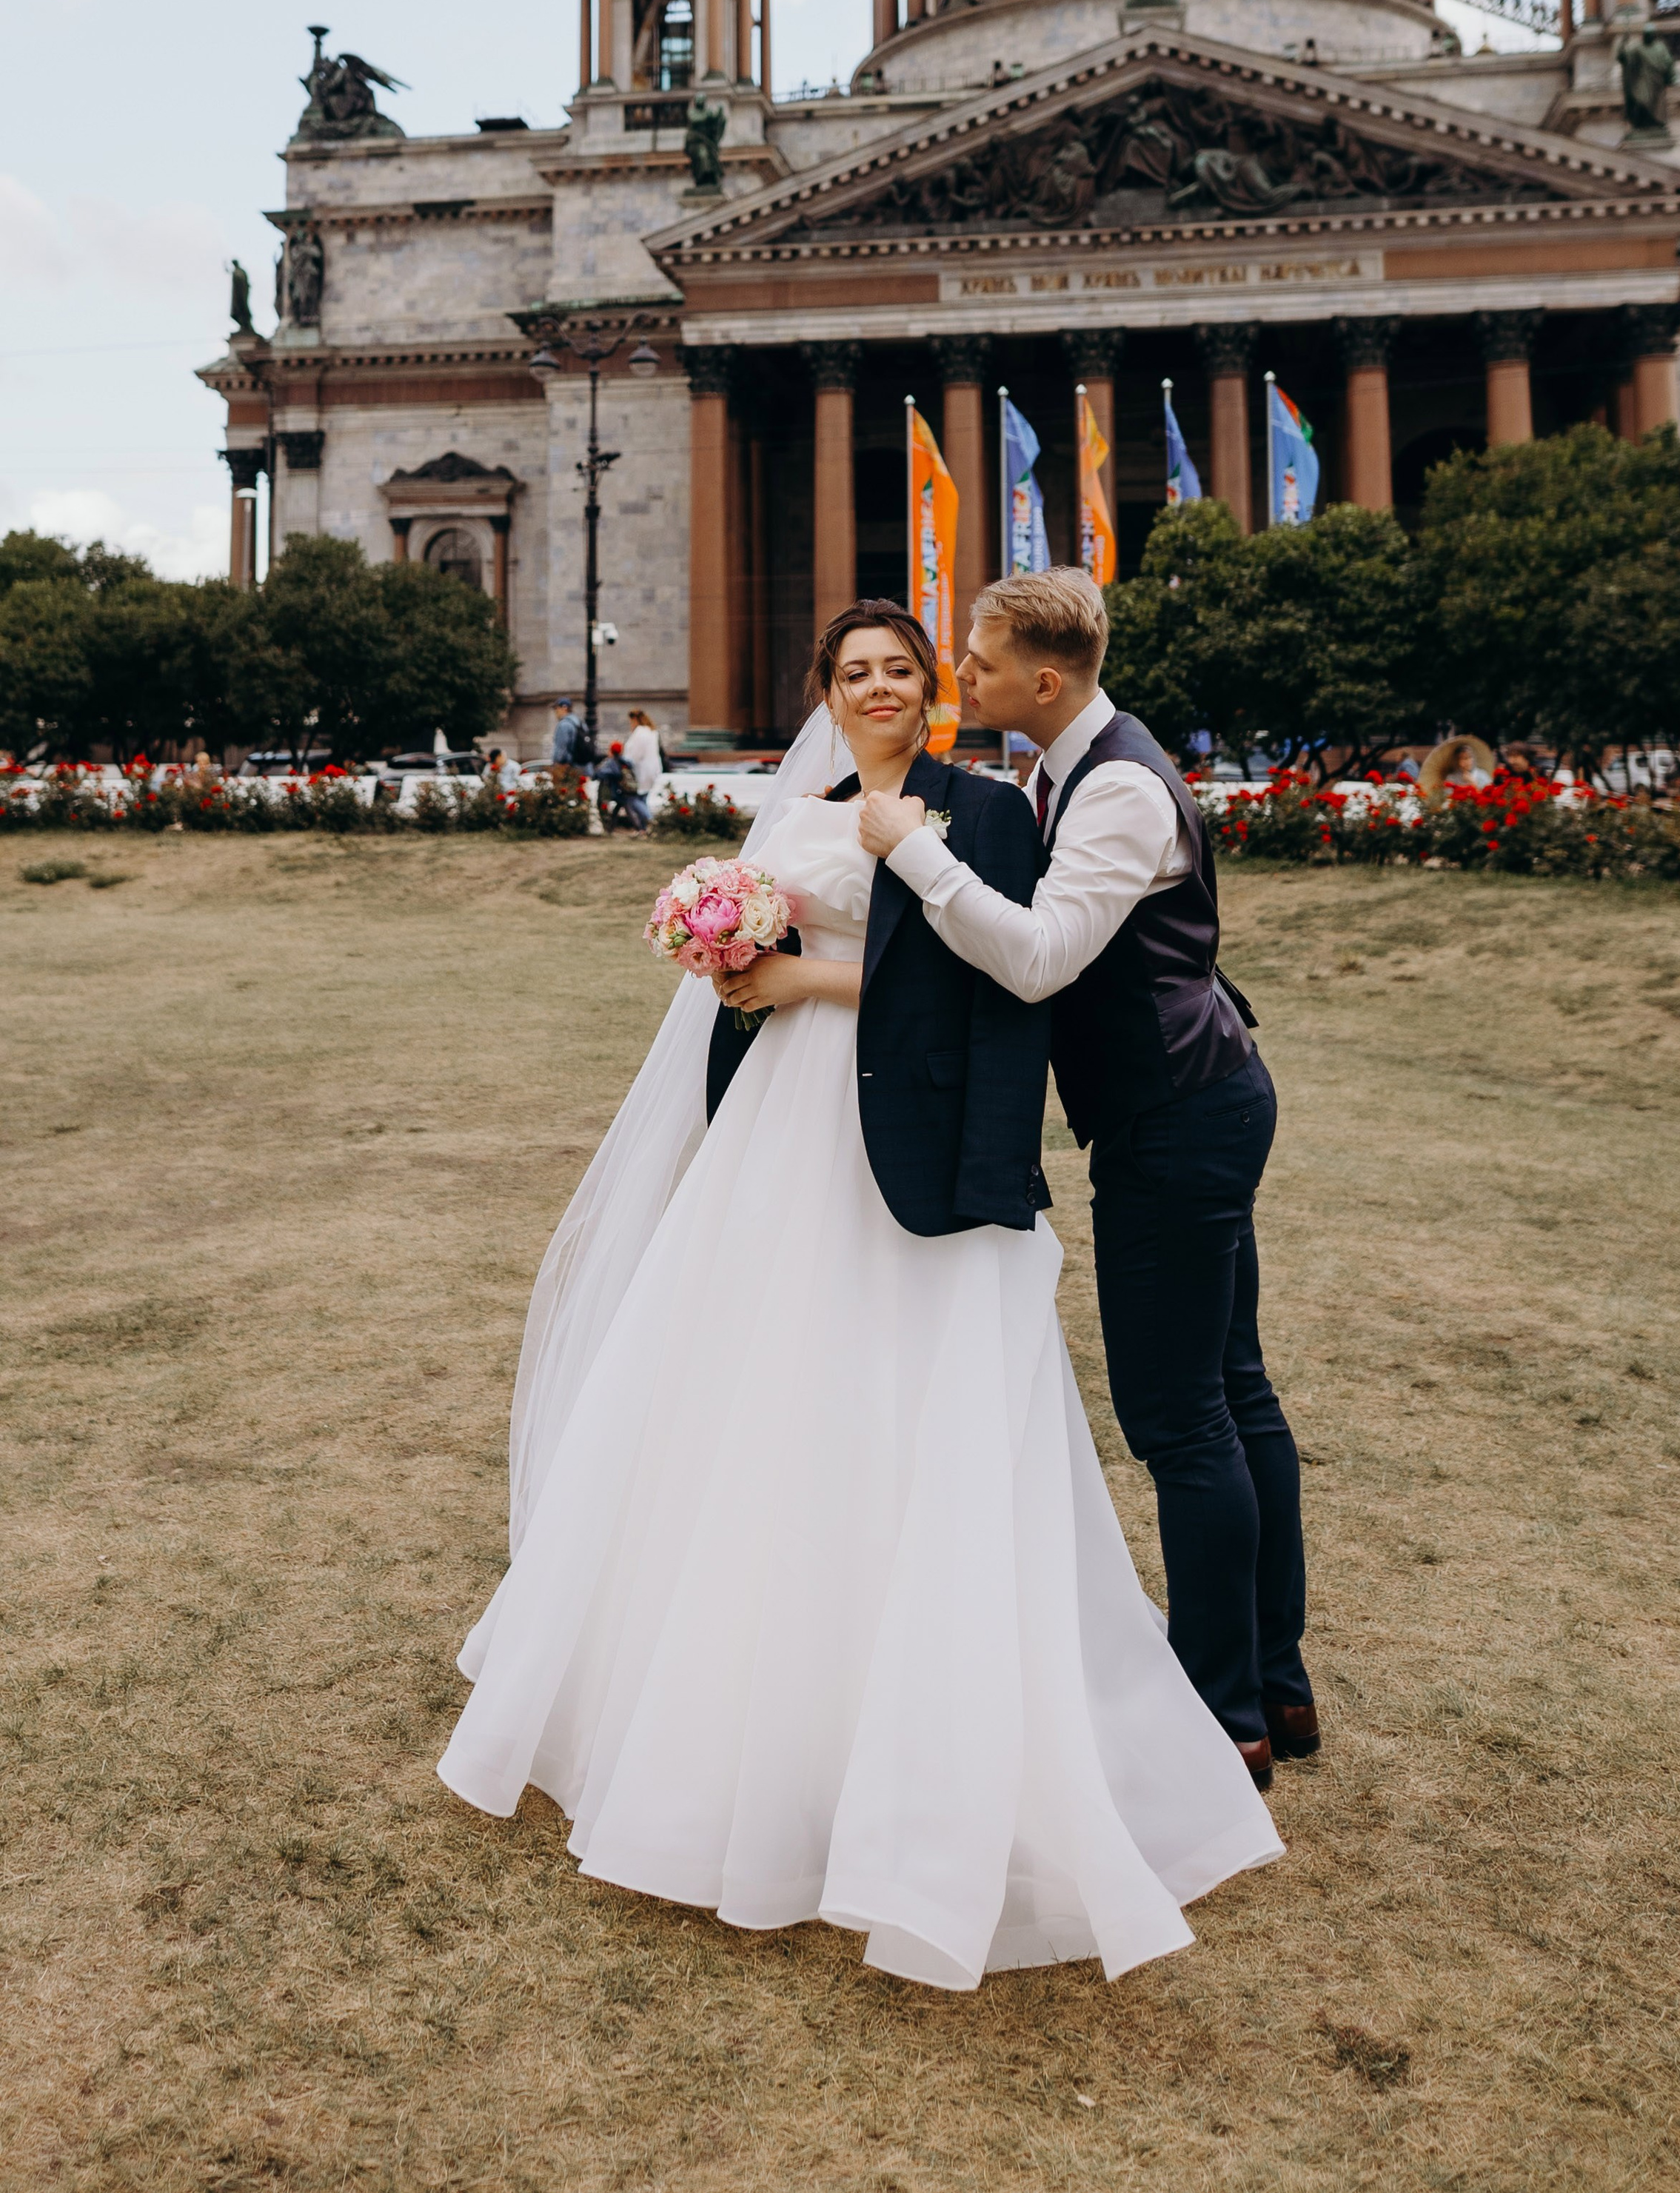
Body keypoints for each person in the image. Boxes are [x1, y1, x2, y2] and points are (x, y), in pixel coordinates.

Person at [438, 597, 1279, 1989]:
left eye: (902, 669)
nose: (879, 687)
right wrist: (725, 961)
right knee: (757, 1392)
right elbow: (750, 979)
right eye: (855, 671)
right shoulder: (798, 812)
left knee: (932, 1402)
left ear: (935, 687)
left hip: (921, 1140)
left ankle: (1194, 1696)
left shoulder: (986, 812)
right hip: (789, 1129)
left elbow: (993, 988)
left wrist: (802, 974)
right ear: (824, 690)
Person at [858, 568, 1316, 1792]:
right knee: (1231, 1391)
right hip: (1192, 1102)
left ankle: (1223, 1709)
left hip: (1179, 1116)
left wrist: (916, 855)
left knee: (1183, 1416)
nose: (961, 672)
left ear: (1046, 681)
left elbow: (1040, 960)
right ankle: (1275, 1683)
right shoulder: (1068, 767)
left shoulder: (1114, 787)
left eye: (980, 659)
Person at [624, 708, 665, 816]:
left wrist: (626, 763)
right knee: (643, 798)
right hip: (653, 770)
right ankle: (644, 825)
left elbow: (634, 754)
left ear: (635, 720)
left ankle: (650, 820)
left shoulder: (640, 733)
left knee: (633, 800)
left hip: (641, 771)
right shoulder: (652, 732)